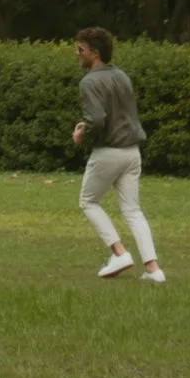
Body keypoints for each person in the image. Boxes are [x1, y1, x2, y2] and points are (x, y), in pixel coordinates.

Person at [70, 26, 163, 284]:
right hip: (132, 152)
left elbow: (98, 119)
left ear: (95, 53)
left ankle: (120, 253)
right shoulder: (122, 76)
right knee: (133, 210)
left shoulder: (89, 82)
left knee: (88, 201)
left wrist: (81, 134)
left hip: (109, 152)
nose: (77, 54)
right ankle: (154, 269)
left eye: (81, 50)